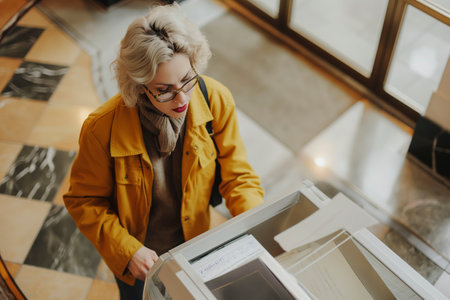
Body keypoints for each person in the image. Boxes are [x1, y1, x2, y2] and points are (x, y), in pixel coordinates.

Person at [63, 4, 264, 300]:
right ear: (140, 86)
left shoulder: (215, 99)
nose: (181, 99)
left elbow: (238, 176)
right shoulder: (102, 128)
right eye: (165, 89)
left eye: (187, 80)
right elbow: (84, 200)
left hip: (195, 249)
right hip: (139, 264)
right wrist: (128, 251)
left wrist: (255, 220)